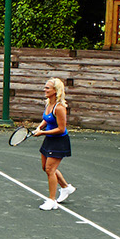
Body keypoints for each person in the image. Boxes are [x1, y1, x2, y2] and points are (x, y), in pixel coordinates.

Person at [32, 76, 73, 210]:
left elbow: (61, 128)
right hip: (49, 139)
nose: (45, 89)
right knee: (46, 168)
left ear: (55, 90)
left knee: (50, 169)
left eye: (47, 88)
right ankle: (66, 188)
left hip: (59, 141)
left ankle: (51, 200)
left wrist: (42, 133)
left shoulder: (59, 108)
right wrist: (39, 127)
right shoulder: (48, 103)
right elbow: (47, 119)